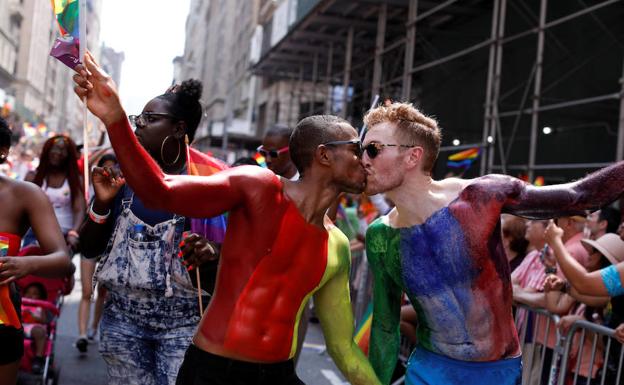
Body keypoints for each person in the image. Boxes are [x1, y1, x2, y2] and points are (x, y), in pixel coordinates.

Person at [73, 51, 380, 385]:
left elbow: (344, 348)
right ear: (323, 155)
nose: (365, 158)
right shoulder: (259, 187)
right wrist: (115, 118)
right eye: (358, 147)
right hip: (213, 371)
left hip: (276, 375)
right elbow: (160, 190)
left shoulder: (336, 245)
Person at [361, 101, 624, 385]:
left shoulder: (480, 196)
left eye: (373, 149)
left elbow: (580, 196)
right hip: (429, 369)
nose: (363, 159)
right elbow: (385, 327)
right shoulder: (381, 236)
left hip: (496, 371)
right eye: (361, 150)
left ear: (413, 157)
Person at [79, 78, 221, 384]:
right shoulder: (121, 178)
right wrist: (102, 204)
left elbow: (235, 263)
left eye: (150, 119)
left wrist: (211, 254)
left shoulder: (210, 184)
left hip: (185, 327)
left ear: (179, 129)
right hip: (122, 324)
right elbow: (89, 249)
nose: (139, 126)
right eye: (137, 119)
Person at [0, 116, 73, 385]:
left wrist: (24, 265)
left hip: (2, 317)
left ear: (3, 150)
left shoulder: (25, 194)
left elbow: (62, 259)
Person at [76, 153, 117, 351]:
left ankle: (93, 328)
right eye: (104, 167)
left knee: (102, 292)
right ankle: (82, 334)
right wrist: (103, 147)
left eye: (112, 167)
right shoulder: (92, 191)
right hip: (89, 247)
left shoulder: (122, 192)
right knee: (86, 291)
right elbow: (88, 165)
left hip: (109, 248)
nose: (108, 171)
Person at [25, 135, 85, 253]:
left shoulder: (75, 180)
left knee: (58, 270)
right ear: (47, 151)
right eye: (54, 148)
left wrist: (73, 233)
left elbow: (79, 209)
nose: (57, 152)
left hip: (64, 235)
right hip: (35, 233)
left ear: (69, 155)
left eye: (63, 150)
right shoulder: (33, 176)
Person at [21, 282, 50, 374]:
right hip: (20, 325)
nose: (30, 295)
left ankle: (38, 358)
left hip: (34, 326)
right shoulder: (20, 304)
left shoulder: (40, 306)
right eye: (28, 293)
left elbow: (44, 320)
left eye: (34, 293)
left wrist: (34, 317)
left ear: (40, 297)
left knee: (40, 331)